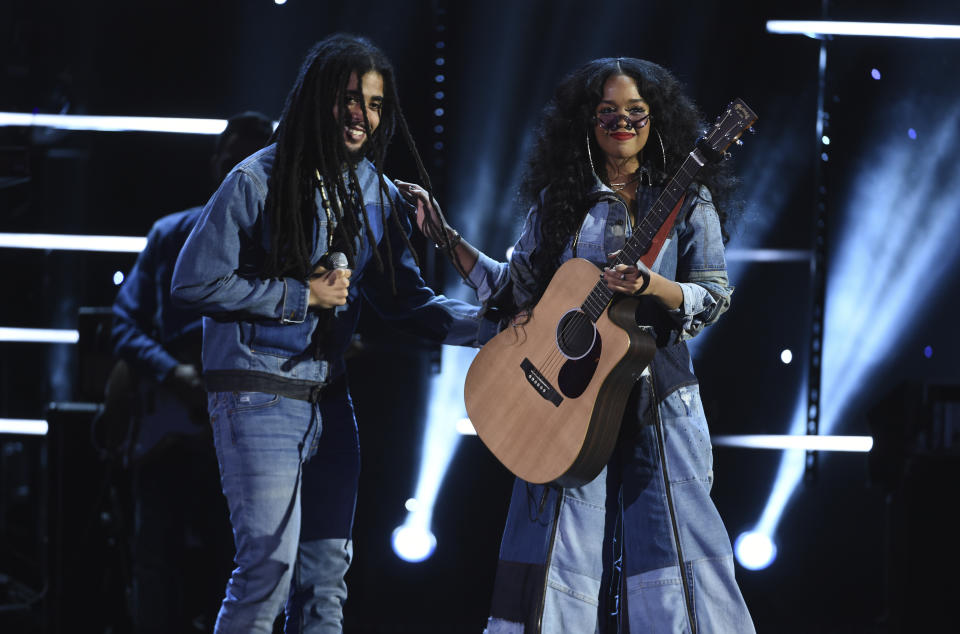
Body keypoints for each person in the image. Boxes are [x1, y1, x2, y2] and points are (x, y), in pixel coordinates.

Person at [398, 57, 755, 632]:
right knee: (555, 550)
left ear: (655, 118)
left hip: (656, 388)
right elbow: (517, 292)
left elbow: (713, 295)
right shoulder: (562, 201)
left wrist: (651, 284)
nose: (622, 122)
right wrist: (445, 236)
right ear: (586, 122)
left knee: (679, 542)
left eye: (636, 111)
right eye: (608, 111)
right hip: (567, 396)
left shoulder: (688, 200)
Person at [170, 34, 493, 633]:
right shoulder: (257, 179)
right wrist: (300, 295)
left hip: (330, 399)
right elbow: (192, 282)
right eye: (350, 96)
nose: (361, 114)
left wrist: (492, 329)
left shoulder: (375, 188)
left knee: (324, 580)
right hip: (256, 392)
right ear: (320, 98)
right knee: (267, 570)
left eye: (373, 103)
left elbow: (405, 299)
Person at [109, 111, 275, 633]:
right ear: (215, 163)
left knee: (238, 563)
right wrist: (172, 373)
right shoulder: (170, 233)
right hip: (172, 430)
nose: (238, 169)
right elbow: (122, 324)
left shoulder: (282, 245)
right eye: (231, 158)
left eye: (249, 160)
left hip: (241, 432)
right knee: (154, 558)